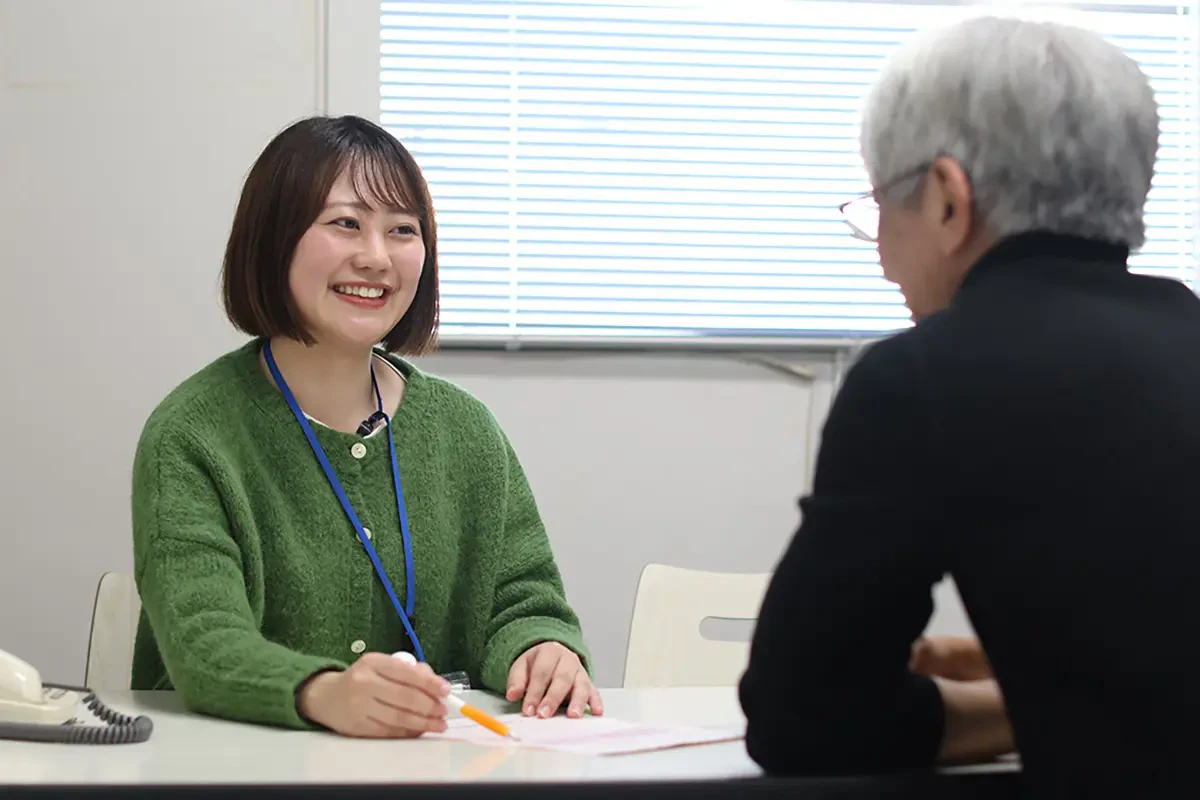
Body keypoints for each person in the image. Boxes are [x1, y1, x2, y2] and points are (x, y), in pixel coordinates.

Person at [739, 15, 1200, 797]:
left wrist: (1022, 706)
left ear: (951, 200)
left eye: (883, 205)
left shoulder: (922, 381)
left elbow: (805, 717)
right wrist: (1042, 679)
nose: (883, 259)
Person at [130, 115, 602, 737]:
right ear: (273, 239)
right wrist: (324, 694)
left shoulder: (465, 430)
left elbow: (522, 600)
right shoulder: (193, 435)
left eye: (402, 230)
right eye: (345, 223)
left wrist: (543, 650)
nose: (376, 257)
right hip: (235, 768)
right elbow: (204, 642)